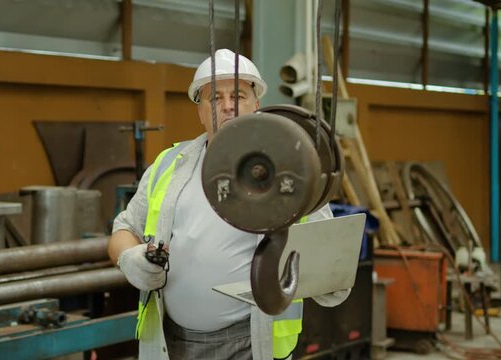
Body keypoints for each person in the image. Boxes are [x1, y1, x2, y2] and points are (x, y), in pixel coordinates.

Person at [108, 49, 350, 360]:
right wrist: (129, 257)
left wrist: (330, 276)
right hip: (171, 343)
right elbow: (124, 229)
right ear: (199, 109)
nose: (227, 106)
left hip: (251, 342)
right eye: (214, 97)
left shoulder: (290, 169)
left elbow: (327, 257)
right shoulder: (168, 165)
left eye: (238, 94)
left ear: (257, 104)